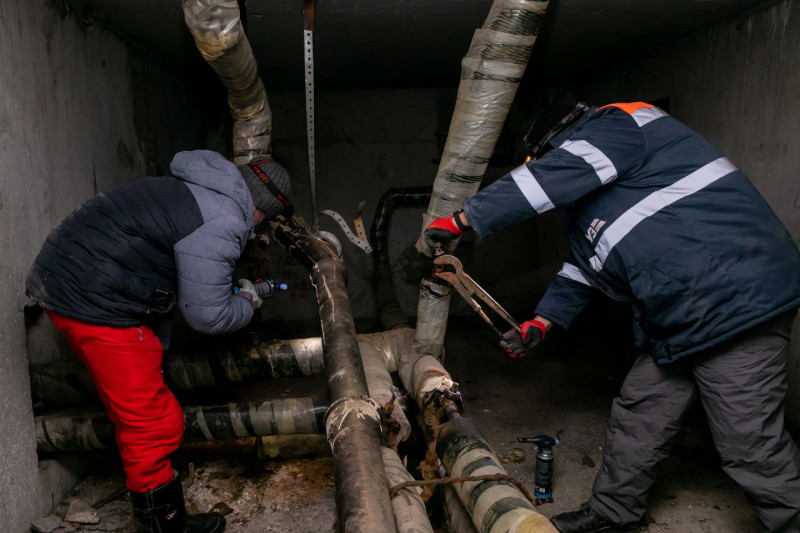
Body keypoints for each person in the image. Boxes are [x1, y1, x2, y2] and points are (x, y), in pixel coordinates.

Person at [424, 102, 800, 533]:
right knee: (639, 415)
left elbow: (549, 177)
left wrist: (463, 218)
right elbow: (585, 269)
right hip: (679, 320)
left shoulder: (618, 125)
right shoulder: (591, 203)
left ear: (561, 143)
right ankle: (614, 512)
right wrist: (542, 322)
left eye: (545, 160)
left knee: (749, 444)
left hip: (736, 304)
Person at [26, 150, 293, 533]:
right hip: (93, 298)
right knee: (152, 423)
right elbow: (208, 316)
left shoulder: (200, 185)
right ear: (262, 211)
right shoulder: (225, 219)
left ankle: (167, 518)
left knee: (148, 410)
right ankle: (165, 529)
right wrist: (248, 301)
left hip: (72, 276)